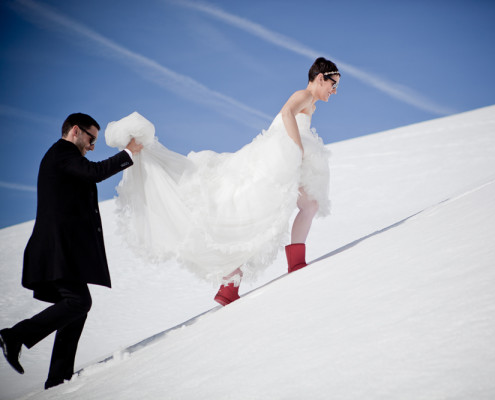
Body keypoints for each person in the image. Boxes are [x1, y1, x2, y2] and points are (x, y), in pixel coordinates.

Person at [107, 57, 340, 306]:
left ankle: (252, 276)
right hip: (277, 158)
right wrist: (297, 148)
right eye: (332, 84)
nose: (334, 90)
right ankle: (236, 277)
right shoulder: (304, 95)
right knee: (258, 214)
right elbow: (286, 113)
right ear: (319, 78)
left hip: (284, 159)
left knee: (303, 205)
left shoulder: (311, 103)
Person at [0, 113, 143, 390]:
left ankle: (58, 377)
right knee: (78, 303)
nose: (92, 147)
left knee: (78, 306)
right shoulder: (61, 153)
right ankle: (14, 336)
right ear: (75, 131)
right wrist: (128, 153)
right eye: (91, 139)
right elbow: (95, 173)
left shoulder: (65, 157)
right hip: (56, 251)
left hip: (63, 252)